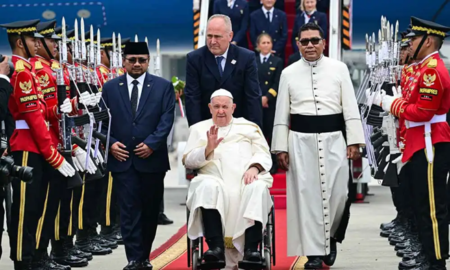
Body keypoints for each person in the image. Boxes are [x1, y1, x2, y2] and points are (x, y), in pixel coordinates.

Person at [271, 22, 364, 269]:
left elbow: (350, 106)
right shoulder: (288, 73)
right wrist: (281, 147)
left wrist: (354, 140)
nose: (310, 45)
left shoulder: (339, 68)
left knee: (340, 194)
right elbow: (281, 113)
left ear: (324, 42)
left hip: (334, 138)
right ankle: (313, 252)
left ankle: (331, 238)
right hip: (300, 141)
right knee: (307, 198)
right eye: (305, 41)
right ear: (298, 44)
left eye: (315, 40)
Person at [0, 19, 77, 270]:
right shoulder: (22, 71)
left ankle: (35, 257)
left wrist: (63, 109)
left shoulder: (28, 70)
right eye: (33, 40)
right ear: (20, 42)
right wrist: (52, 154)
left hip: (38, 144)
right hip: (27, 147)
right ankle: (23, 261)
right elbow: (32, 118)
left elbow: (42, 113)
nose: (38, 43)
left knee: (39, 207)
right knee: (25, 210)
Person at [375, 17, 450, 269]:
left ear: (428, 41)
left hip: (430, 142)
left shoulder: (431, 70)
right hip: (418, 141)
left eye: (414, 39)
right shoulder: (421, 67)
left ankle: (436, 261)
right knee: (420, 205)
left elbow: (423, 113)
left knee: (431, 209)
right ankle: (428, 257)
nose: (409, 43)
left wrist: (390, 104)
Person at [100, 41, 175, 270]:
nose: (137, 64)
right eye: (132, 60)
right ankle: (133, 258)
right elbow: (102, 122)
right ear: (123, 61)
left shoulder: (162, 86)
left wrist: (152, 144)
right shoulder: (111, 87)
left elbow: (167, 119)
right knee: (128, 211)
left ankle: (144, 255)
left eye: (142, 60)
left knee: (150, 210)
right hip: (122, 160)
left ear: (148, 61)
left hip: (151, 160)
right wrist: (111, 144)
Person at [184, 89, 273, 269]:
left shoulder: (249, 127)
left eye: (225, 106)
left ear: (233, 107)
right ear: (210, 108)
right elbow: (189, 161)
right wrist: (207, 148)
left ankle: (251, 250)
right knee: (206, 186)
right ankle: (216, 248)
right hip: (213, 179)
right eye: (216, 106)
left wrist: (254, 167)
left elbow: (264, 154)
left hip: (245, 179)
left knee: (257, 187)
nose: (221, 111)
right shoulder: (198, 129)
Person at [32, 20, 91, 269]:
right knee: (50, 205)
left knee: (66, 200)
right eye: (52, 41)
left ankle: (63, 246)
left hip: (65, 142)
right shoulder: (41, 71)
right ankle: (51, 251)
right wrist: (68, 145)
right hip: (53, 145)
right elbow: (44, 114)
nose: (57, 46)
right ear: (39, 43)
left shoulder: (57, 69)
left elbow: (62, 111)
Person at [185, 14, 262, 128]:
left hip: (239, 127)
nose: (212, 41)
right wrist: (197, 130)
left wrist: (254, 130)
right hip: (207, 127)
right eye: (209, 36)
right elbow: (192, 98)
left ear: (230, 36)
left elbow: (252, 97)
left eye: (217, 36)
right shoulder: (195, 59)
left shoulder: (246, 58)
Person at [255, 33, 282, 173]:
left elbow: (278, 82)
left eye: (268, 43)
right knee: (258, 133)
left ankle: (272, 162)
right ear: (258, 46)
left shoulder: (277, 61)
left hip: (271, 103)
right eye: (263, 43)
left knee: (271, 133)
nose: (266, 45)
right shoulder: (252, 60)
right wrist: (259, 98)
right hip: (255, 102)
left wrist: (267, 98)